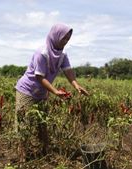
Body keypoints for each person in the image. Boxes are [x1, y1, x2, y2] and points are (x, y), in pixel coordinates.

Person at [15, 23, 89, 162]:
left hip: (42, 93)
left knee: (42, 123)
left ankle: (45, 152)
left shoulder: (62, 55)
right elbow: (39, 77)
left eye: (68, 39)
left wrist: (77, 86)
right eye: (64, 38)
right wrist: (55, 91)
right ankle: (22, 157)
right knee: (23, 123)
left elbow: (68, 71)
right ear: (55, 36)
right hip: (26, 90)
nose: (66, 42)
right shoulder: (42, 53)